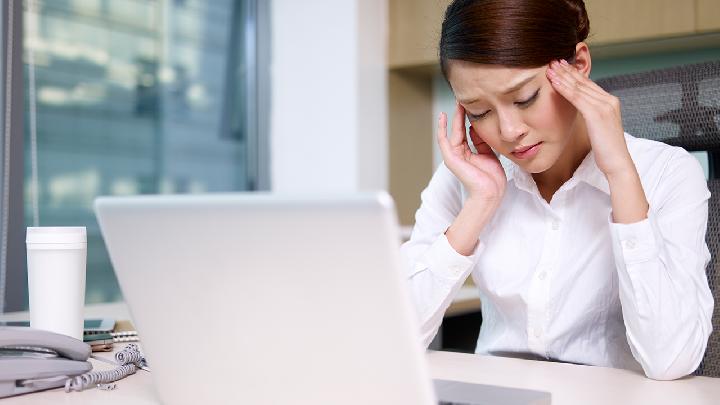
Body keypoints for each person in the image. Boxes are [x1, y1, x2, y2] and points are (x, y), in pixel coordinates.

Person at [402, 0, 714, 381]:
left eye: (524, 98)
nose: (508, 130)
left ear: (578, 66)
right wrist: (479, 205)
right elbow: (392, 339)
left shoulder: (666, 174)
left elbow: (671, 360)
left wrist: (620, 176)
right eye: (479, 111)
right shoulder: (465, 177)